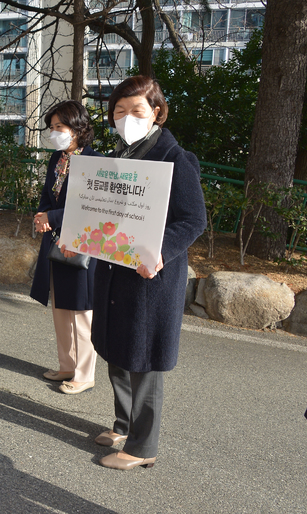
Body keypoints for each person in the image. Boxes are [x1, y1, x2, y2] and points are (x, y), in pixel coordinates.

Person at [80, 76, 206, 470]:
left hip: (151, 278)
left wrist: (160, 252)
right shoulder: (119, 155)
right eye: (119, 111)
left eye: (136, 111)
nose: (127, 118)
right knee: (116, 350)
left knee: (144, 359)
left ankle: (143, 446)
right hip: (116, 271)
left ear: (156, 112)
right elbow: (98, 213)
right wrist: (78, 237)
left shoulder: (174, 159)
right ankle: (124, 424)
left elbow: (193, 220)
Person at [30, 100, 101, 396]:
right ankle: (66, 365)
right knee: (60, 305)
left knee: (81, 311)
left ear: (78, 128)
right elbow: (50, 196)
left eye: (60, 127)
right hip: (57, 240)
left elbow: (89, 207)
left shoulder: (95, 162)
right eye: (52, 127)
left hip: (83, 242)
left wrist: (52, 217)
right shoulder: (56, 159)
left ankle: (85, 374)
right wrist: (41, 215)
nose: (54, 132)